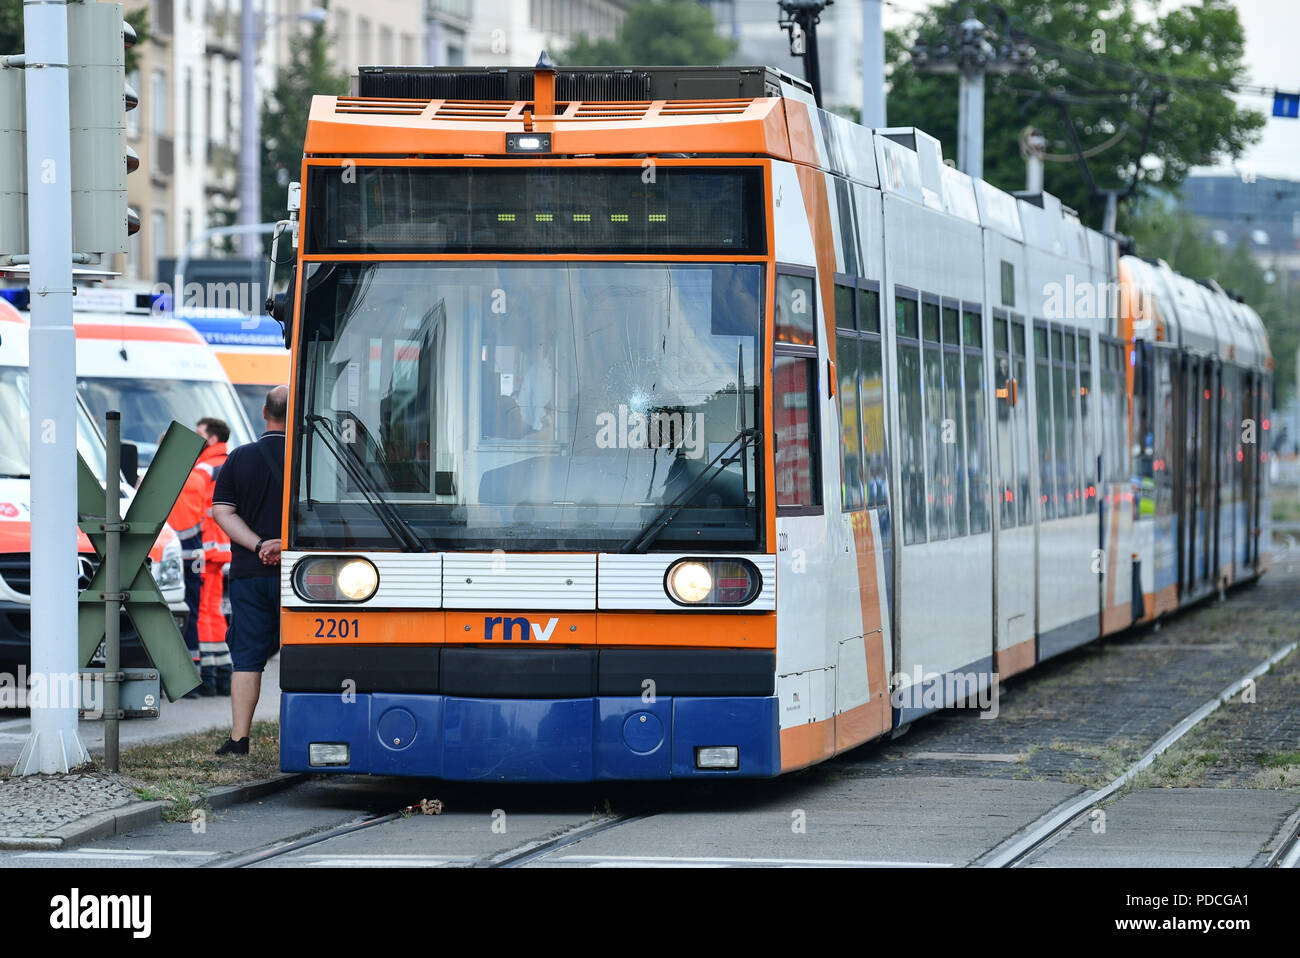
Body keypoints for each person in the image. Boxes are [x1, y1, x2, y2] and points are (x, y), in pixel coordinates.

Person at [211, 387, 287, 756]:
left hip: (250, 573)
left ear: (263, 412)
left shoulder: (240, 458)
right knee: (308, 653)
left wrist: (259, 546)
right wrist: (284, 545)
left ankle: (239, 739)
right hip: (307, 577)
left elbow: (222, 512)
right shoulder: (311, 458)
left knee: (247, 657)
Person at [165, 418, 230, 697]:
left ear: (212, 438)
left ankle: (206, 674)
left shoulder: (202, 469)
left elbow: (190, 511)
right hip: (221, 550)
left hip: (201, 550)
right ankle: (222, 673)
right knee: (214, 612)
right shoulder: (230, 462)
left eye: (199, 433)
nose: (194, 437)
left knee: (200, 612)